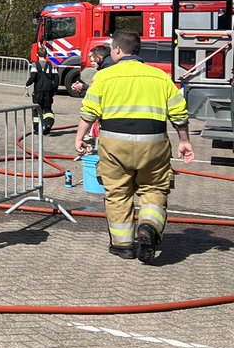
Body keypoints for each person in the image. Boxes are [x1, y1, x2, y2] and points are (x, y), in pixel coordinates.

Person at [74, 30, 192, 263]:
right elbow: (179, 113)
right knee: (154, 189)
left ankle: (123, 246)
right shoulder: (159, 77)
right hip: (154, 144)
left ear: (117, 50)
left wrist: (80, 137)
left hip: (115, 146)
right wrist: (185, 141)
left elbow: (89, 112)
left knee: (117, 193)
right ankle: (148, 227)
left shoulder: (104, 77)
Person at [26, 49, 58, 134]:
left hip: (38, 91)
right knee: (47, 109)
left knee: (37, 109)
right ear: (46, 55)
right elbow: (56, 79)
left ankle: (37, 128)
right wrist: (54, 90)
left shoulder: (35, 65)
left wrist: (27, 84)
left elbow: (33, 77)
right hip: (48, 91)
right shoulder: (52, 65)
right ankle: (48, 124)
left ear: (37, 55)